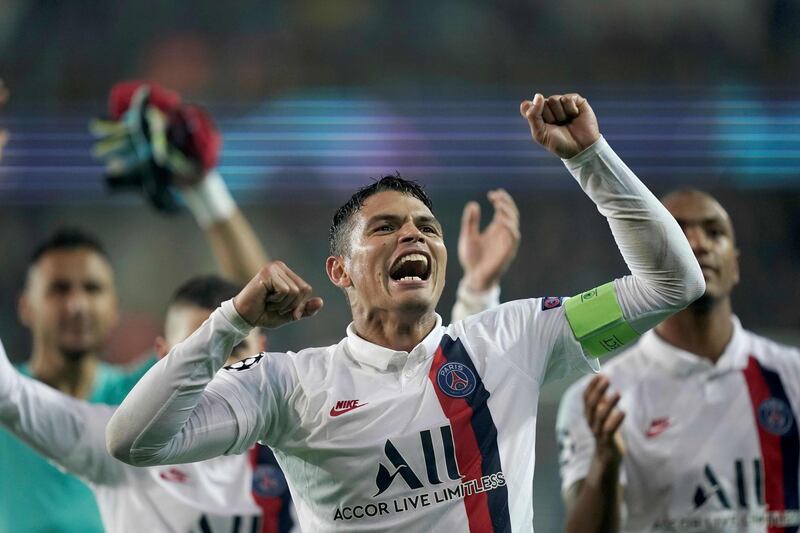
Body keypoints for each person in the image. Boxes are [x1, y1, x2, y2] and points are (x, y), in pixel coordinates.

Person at [106, 92, 705, 532]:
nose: (412, 237)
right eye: (385, 228)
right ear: (338, 271)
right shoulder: (288, 385)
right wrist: (232, 321)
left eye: (426, 227)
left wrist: (590, 159)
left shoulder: (516, 338)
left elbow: (673, 283)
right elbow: (133, 441)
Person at [0, 82, 269, 532]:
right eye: (59, 289)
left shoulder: (142, 401)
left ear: (115, 306)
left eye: (92, 288)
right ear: (25, 306)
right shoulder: (10, 400)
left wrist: (204, 189)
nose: (77, 303)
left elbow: (252, 311)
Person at [556, 189, 800, 532]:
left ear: (735, 266)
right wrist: (605, 465)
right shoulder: (599, 399)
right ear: (643, 265)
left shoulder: (792, 376)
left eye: (715, 232)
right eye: (678, 231)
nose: (699, 244)